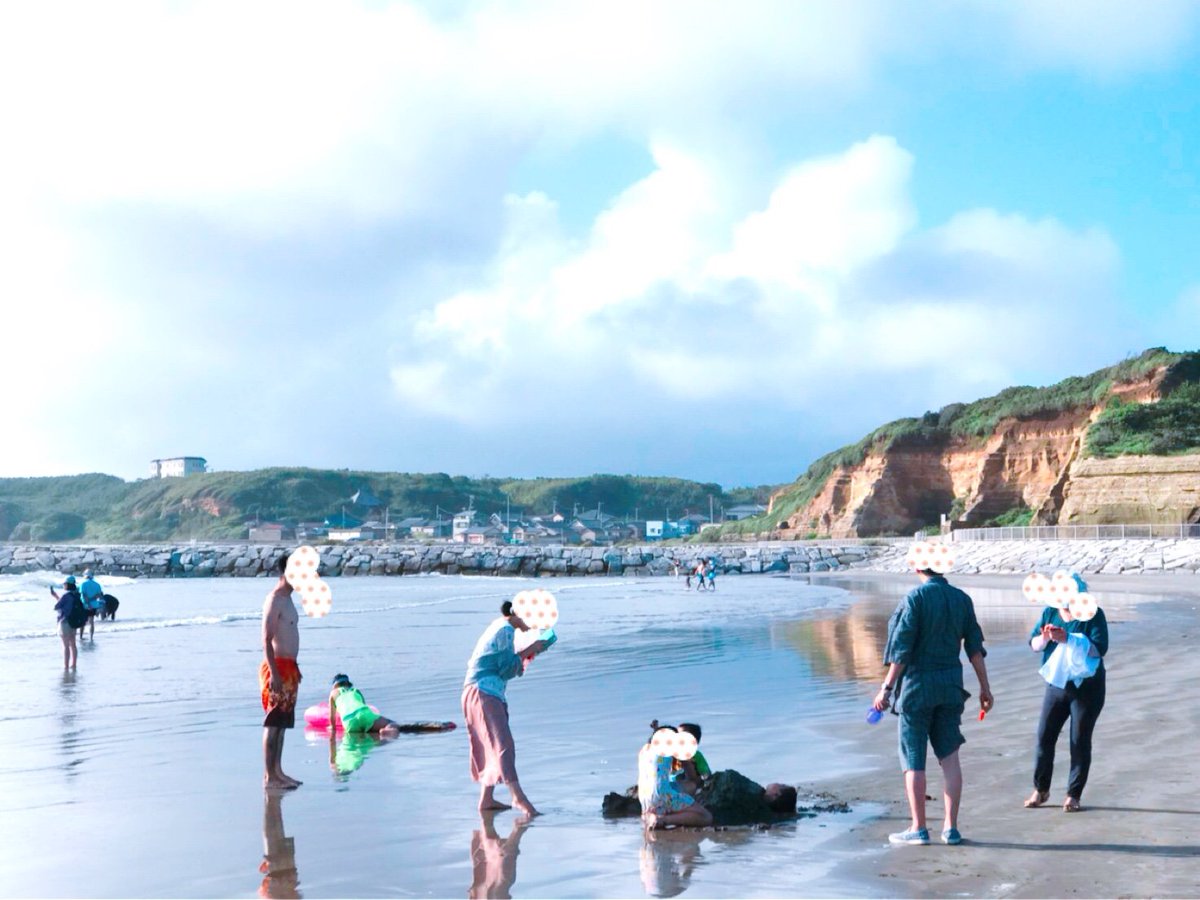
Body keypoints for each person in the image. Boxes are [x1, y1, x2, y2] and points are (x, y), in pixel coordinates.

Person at [873, 564, 993, 846]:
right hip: (950, 685)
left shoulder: (915, 600)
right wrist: (985, 688)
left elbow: (901, 651)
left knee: (913, 758)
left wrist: (886, 688)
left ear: (917, 566)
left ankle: (919, 827)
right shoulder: (962, 599)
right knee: (950, 757)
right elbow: (974, 649)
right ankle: (951, 828)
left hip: (916, 688)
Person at [1024, 577, 1108, 813]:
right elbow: (1033, 644)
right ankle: (1040, 790)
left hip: (1088, 688)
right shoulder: (1049, 612)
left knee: (1079, 740)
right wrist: (1046, 637)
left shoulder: (1092, 613)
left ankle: (1073, 794)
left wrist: (1069, 638)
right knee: (1044, 736)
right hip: (1057, 685)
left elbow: (1100, 648)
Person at [461, 600, 551, 816]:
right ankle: (517, 797)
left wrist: (525, 655)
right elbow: (507, 668)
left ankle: (486, 799)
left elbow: (504, 665)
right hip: (483, 692)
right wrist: (532, 649)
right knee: (503, 745)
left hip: (481, 692)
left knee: (490, 744)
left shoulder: (501, 627)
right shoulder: (505, 631)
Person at [261, 553, 302, 790]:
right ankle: (269, 776)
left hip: (289, 668)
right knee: (273, 722)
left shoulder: (289, 599)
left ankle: (278, 771)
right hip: (276, 668)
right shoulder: (275, 599)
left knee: (284, 723)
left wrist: (294, 669)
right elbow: (266, 639)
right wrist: (275, 673)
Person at [638, 723, 713, 829]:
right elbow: (691, 776)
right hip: (662, 796)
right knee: (706, 817)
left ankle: (653, 814)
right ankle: (663, 820)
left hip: (645, 799)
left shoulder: (644, 750)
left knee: (669, 788)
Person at [327, 674, 403, 736]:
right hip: (364, 715)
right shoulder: (356, 691)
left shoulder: (333, 693)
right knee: (392, 723)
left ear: (334, 686)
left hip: (349, 722)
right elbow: (364, 705)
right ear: (348, 684)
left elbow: (332, 717)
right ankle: (387, 731)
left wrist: (333, 727)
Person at [50, 575, 84, 669]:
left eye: (64, 584)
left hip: (65, 621)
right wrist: (57, 596)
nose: (64, 585)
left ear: (67, 585)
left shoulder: (66, 595)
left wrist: (55, 596)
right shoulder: (77, 594)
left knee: (65, 646)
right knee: (73, 644)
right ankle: (74, 664)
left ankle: (66, 666)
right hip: (74, 621)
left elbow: (56, 606)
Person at [671, 723, 711, 795]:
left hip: (690, 784)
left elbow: (706, 773)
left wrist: (703, 779)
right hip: (673, 784)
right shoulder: (673, 754)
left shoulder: (696, 755)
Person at [79, 569, 104, 639]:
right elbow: (99, 595)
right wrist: (92, 600)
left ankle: (81, 637)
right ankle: (91, 637)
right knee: (91, 622)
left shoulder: (83, 584)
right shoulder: (97, 585)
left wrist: (88, 603)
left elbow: (83, 595)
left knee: (82, 622)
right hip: (94, 605)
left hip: (84, 605)